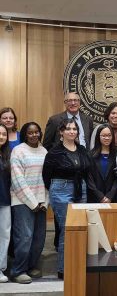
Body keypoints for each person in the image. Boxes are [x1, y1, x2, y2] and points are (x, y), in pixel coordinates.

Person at [43, 119, 91, 279]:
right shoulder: (54, 152)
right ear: (61, 132)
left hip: (81, 189)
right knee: (67, 229)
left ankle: (78, 265)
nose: (72, 131)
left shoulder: (82, 150)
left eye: (74, 129)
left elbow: (87, 170)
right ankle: (64, 269)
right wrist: (57, 190)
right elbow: (46, 176)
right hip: (60, 190)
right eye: (68, 129)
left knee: (81, 228)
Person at [10, 122, 48, 284]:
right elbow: (17, 180)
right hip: (22, 201)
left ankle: (31, 266)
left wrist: (45, 202)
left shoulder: (45, 151)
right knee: (24, 237)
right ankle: (18, 270)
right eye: (30, 133)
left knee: (39, 238)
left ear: (40, 133)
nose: (34, 135)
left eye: (36, 132)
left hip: (41, 201)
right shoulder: (18, 151)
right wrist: (33, 203)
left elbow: (48, 179)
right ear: (25, 134)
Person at [88, 124, 117, 203]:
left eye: (109, 135)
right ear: (98, 137)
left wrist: (110, 196)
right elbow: (89, 178)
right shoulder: (90, 155)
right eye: (104, 135)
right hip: (95, 198)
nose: (107, 138)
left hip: (113, 198)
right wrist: (100, 196)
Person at [0, 124, 11, 283]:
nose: (1, 136)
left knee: (4, 236)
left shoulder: (7, 155)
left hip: (5, 200)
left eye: (4, 134)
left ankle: (1, 268)